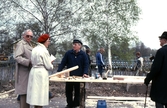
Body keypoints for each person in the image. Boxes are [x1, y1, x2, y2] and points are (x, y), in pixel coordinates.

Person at [57, 39, 89, 108]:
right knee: (68, 91)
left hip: (79, 76)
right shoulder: (68, 53)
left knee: (78, 91)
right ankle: (69, 104)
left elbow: (86, 65)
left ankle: (76, 104)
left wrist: (85, 73)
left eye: (75, 44)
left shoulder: (83, 54)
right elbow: (63, 62)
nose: (73, 46)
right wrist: (59, 71)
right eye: (73, 44)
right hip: (70, 76)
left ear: (79, 46)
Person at [26, 34, 54, 108]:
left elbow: (32, 61)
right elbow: (48, 66)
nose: (49, 42)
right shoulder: (44, 50)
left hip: (33, 71)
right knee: (40, 94)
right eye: (48, 41)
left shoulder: (34, 49)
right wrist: (51, 64)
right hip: (41, 72)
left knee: (35, 94)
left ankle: (36, 106)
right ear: (44, 41)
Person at [144, 31, 167, 108]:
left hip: (161, 85)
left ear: (165, 40)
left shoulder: (161, 51)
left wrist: (148, 79)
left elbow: (156, 68)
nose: (160, 41)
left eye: (161, 39)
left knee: (159, 103)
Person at [13, 29, 33, 108]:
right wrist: (28, 62)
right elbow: (17, 57)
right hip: (23, 73)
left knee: (27, 97)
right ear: (23, 36)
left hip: (28, 73)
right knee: (24, 97)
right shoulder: (21, 44)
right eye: (27, 36)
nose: (29, 38)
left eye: (31, 36)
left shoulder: (29, 44)